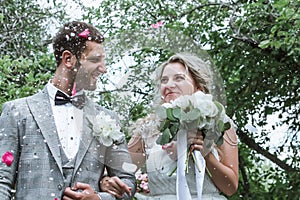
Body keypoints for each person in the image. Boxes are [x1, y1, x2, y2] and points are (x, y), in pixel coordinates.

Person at [0, 21, 136, 200]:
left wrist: (100, 198)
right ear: (68, 59)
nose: (104, 69)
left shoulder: (107, 119)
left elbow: (128, 181)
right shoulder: (17, 111)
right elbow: (2, 181)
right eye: (95, 60)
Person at [100, 53, 239, 199]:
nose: (169, 85)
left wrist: (206, 155)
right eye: (164, 80)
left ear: (198, 86)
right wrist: (106, 180)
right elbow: (124, 170)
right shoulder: (148, 129)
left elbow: (230, 188)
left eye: (179, 78)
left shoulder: (218, 122)